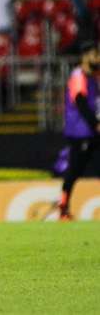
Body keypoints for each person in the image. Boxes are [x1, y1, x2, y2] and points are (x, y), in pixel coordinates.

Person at [59, 42, 100, 221]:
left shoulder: (95, 77)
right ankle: (63, 208)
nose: (98, 59)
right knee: (74, 171)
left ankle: (63, 207)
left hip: (93, 131)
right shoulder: (78, 76)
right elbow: (80, 101)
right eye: (95, 55)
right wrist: (95, 123)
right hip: (80, 132)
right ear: (85, 56)